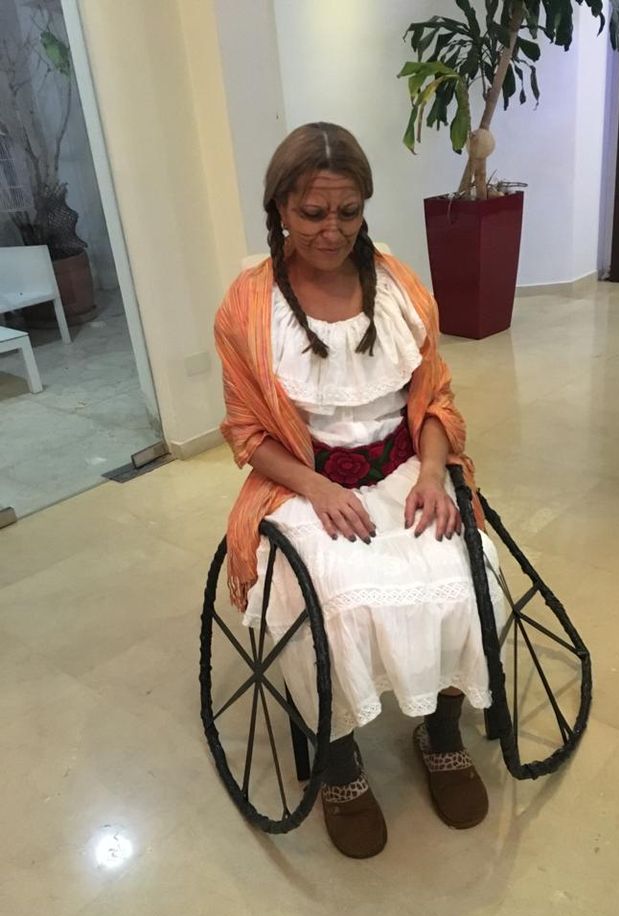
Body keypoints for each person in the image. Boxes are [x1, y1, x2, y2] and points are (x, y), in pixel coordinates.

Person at [214, 122, 504, 860]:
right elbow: (250, 433)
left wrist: (435, 473)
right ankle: (338, 758)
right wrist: (316, 486)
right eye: (312, 213)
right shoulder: (248, 310)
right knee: (333, 596)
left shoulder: (401, 286)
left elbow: (434, 398)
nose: (331, 230)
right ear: (279, 207)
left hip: (409, 468)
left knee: (472, 572)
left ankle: (439, 733)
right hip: (306, 484)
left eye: (347, 211)